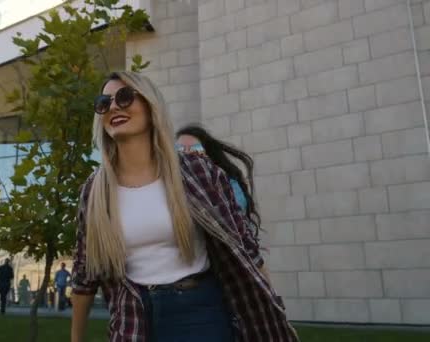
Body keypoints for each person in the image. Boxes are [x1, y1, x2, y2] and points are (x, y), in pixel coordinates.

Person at [70, 71, 298, 342]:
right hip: (133, 317)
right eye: (103, 103)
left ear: (150, 105)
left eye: (125, 97)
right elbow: (84, 277)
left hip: (200, 313)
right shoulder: (94, 191)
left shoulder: (198, 172)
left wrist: (273, 309)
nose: (114, 107)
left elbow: (246, 248)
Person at [175, 125, 274, 283]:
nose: (187, 155)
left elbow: (234, 225)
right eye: (179, 149)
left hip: (227, 269)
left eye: (194, 150)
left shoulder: (225, 183)